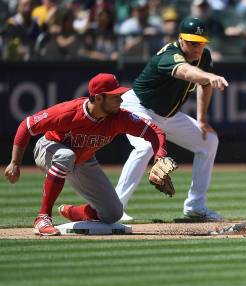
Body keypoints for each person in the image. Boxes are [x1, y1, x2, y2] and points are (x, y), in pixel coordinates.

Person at [3, 74, 169, 236]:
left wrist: (159, 155)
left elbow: (154, 132)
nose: (120, 100)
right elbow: (26, 126)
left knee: (113, 214)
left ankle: (74, 212)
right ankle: (43, 218)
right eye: (115, 96)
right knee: (66, 155)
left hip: (83, 159)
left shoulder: (119, 117)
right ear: (98, 98)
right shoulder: (68, 112)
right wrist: (15, 163)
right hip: (49, 148)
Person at [115, 17, 229, 222]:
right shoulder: (170, 55)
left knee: (209, 141)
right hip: (138, 107)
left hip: (168, 115)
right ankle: (114, 208)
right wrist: (208, 76)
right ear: (181, 39)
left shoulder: (204, 56)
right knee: (144, 147)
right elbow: (186, 72)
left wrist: (201, 119)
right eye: (193, 42)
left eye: (201, 43)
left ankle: (195, 205)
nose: (197, 47)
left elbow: (204, 84)